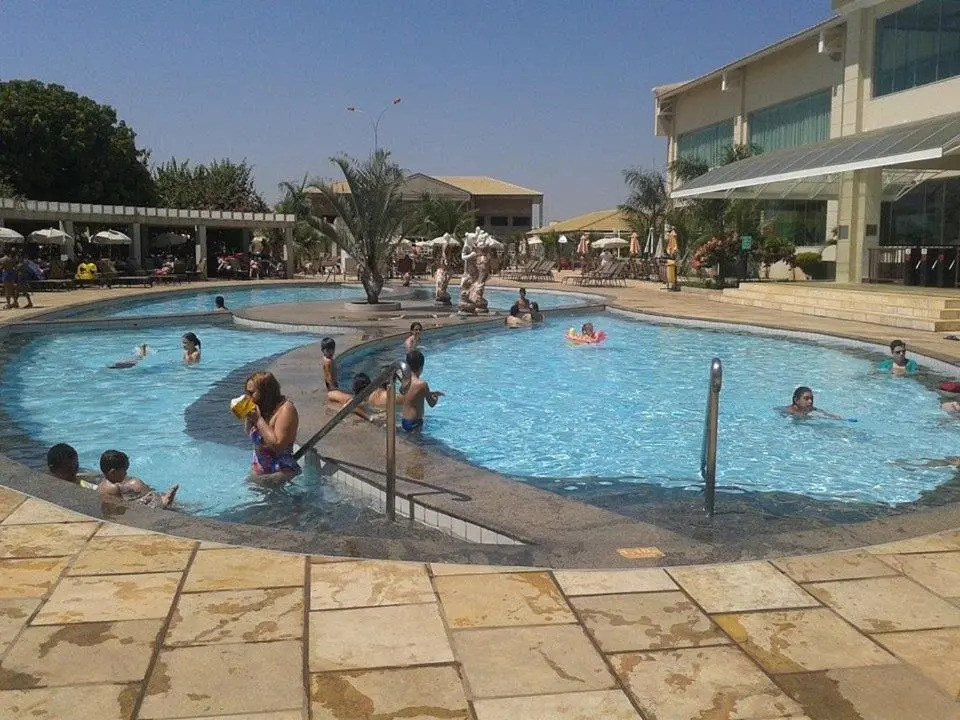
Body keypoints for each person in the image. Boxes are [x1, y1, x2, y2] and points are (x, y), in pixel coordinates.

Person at [244, 371, 300, 482]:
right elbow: (248, 432)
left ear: (265, 392)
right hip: (260, 473)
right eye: (247, 393)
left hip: (280, 473)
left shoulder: (286, 409)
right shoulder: (263, 409)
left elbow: (278, 446)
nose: (248, 397)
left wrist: (258, 420)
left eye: (252, 393)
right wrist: (247, 415)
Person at [97, 449, 178, 509]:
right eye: (124, 471)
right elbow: (123, 508)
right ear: (113, 472)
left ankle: (164, 500)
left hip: (113, 511)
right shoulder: (112, 488)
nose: (126, 473)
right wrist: (143, 500)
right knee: (150, 500)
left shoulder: (103, 484)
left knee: (151, 496)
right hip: (117, 517)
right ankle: (164, 503)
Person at [399, 349, 443, 433]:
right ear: (421, 367)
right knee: (415, 440)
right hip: (415, 422)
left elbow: (412, 394)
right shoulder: (422, 384)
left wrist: (430, 393)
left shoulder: (404, 380)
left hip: (404, 420)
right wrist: (436, 396)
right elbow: (431, 403)